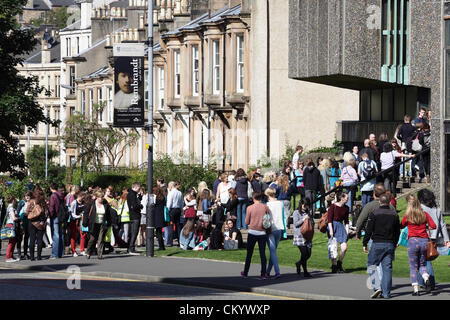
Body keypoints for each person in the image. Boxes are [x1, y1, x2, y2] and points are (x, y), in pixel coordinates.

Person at [363, 194, 400, 299]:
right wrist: (395, 242)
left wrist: (364, 243)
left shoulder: (374, 214)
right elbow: (397, 231)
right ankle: (386, 293)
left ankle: (376, 287)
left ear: (379, 202)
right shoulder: (394, 215)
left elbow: (368, 230)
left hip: (377, 242)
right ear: (389, 202)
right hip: (389, 243)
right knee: (387, 268)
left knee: (371, 265)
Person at [401, 195, 436, 295]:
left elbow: (402, 224)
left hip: (412, 241)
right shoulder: (424, 214)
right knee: (422, 264)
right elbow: (433, 226)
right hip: (424, 241)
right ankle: (426, 277)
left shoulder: (407, 215)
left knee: (413, 267)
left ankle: (416, 290)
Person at [416, 189, 450, 291]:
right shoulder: (437, 209)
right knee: (424, 259)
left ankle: (430, 282)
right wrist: (447, 239)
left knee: (424, 260)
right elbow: (443, 225)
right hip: (434, 236)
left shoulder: (420, 209)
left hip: (423, 235)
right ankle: (422, 282)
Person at [241, 192, 270, 280]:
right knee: (262, 254)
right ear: (261, 198)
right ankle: (263, 273)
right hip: (262, 232)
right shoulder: (265, 207)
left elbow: (246, 222)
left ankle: (245, 272)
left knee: (249, 254)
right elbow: (268, 218)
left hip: (252, 232)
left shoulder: (249, 208)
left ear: (253, 198)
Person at [83, 190, 113, 259]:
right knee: (92, 239)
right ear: (96, 197)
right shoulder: (91, 203)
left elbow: (108, 214)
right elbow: (86, 213)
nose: (101, 199)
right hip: (93, 224)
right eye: (100, 197)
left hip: (102, 224)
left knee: (100, 239)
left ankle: (100, 254)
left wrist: (109, 223)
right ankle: (88, 252)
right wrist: (85, 222)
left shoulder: (105, 204)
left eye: (102, 197)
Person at [265, 188, 286, 279]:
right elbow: (284, 217)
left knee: (272, 252)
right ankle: (268, 272)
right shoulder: (280, 203)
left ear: (268, 195)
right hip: (279, 228)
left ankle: (277, 272)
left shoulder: (267, 205)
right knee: (273, 252)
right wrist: (284, 230)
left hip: (271, 229)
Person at [327, 191, 350, 273]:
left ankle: (339, 263)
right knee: (334, 247)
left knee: (344, 247)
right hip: (332, 226)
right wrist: (331, 231)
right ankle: (333, 265)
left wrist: (347, 231)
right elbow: (329, 219)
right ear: (342, 198)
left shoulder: (346, 208)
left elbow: (346, 221)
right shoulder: (333, 206)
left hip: (341, 226)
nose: (348, 198)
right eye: (346, 197)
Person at [293, 198, 313, 278]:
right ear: (301, 204)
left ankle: (299, 263)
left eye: (307, 205)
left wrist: (310, 219)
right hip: (299, 235)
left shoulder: (308, 212)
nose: (306, 207)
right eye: (305, 205)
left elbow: (311, 222)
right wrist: (303, 219)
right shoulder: (296, 212)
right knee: (304, 253)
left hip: (308, 235)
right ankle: (305, 272)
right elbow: (295, 224)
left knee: (308, 254)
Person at [26, 189, 48, 261]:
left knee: (32, 239)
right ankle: (39, 256)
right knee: (39, 240)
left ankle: (32, 257)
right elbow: (46, 213)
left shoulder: (31, 202)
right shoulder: (43, 202)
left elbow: (26, 212)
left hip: (32, 222)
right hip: (40, 223)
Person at [49, 182, 64, 259]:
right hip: (61, 216)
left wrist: (50, 216)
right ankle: (61, 252)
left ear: (51, 188)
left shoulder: (53, 196)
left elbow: (52, 207)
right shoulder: (61, 195)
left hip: (55, 216)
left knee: (56, 235)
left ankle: (55, 254)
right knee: (60, 235)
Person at [126, 182, 143, 255]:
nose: (139, 190)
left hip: (132, 215)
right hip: (135, 215)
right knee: (134, 232)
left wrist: (139, 197)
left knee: (132, 232)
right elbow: (134, 206)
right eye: (139, 188)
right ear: (136, 187)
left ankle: (129, 247)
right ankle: (131, 248)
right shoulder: (132, 194)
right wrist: (140, 206)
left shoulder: (130, 194)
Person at [166, 181, 183, 247]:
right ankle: (180, 241)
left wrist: (167, 210)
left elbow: (169, 203)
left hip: (172, 210)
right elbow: (181, 203)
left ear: (170, 186)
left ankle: (170, 242)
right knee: (178, 226)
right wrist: (181, 211)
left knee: (170, 225)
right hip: (178, 210)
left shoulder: (171, 193)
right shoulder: (180, 193)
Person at [69, 191, 85, 256]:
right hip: (74, 220)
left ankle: (82, 250)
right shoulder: (74, 203)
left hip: (81, 220)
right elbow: (71, 213)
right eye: (81, 197)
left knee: (83, 235)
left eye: (83, 198)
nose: (82, 199)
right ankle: (73, 251)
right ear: (78, 196)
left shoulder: (83, 202)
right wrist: (78, 216)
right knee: (73, 236)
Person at [4, 195, 19, 262]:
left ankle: (11, 256)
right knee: (11, 241)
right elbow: (13, 218)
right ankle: (8, 257)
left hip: (9, 224)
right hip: (11, 225)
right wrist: (19, 218)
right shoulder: (11, 208)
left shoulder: (9, 207)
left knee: (12, 241)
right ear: (13, 200)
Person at [153, 186, 167, 250]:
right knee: (160, 232)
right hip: (161, 215)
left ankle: (161, 246)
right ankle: (162, 246)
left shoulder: (156, 198)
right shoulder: (162, 197)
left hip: (156, 216)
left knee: (158, 232)